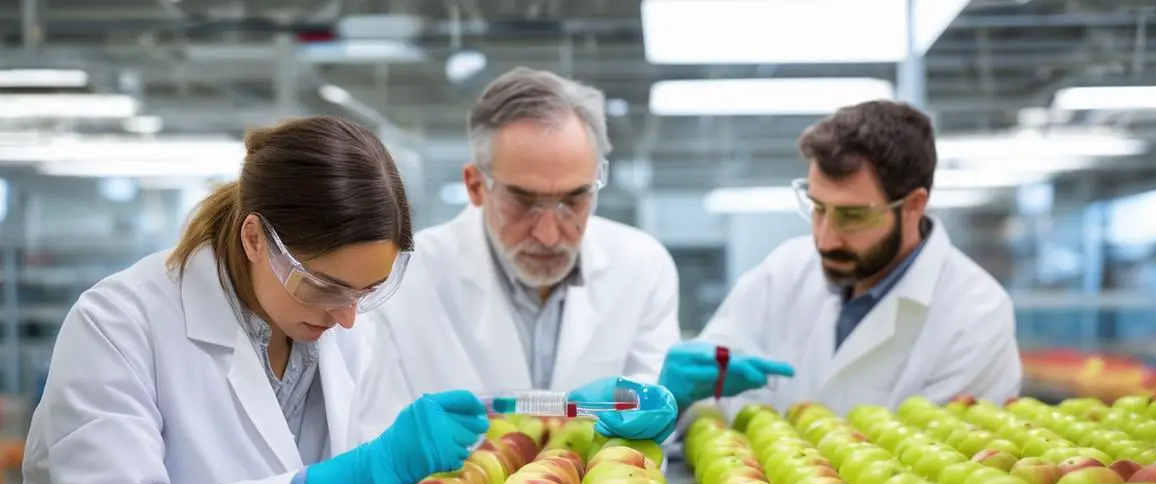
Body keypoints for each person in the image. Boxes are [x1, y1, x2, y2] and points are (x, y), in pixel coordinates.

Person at [13, 116, 490, 484]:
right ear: (256, 239)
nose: (348, 317)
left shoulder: (339, 326)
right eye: (325, 286)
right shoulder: (116, 325)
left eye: (366, 291)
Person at [363, 67, 680, 443]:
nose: (548, 235)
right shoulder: (405, 279)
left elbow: (655, 420)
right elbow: (377, 432)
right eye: (523, 202)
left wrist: (664, 410)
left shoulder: (642, 266)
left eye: (573, 199)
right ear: (476, 186)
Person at [660, 100, 1022, 419]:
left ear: (913, 206)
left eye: (852, 216)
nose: (825, 238)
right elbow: (707, 415)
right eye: (818, 208)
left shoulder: (976, 316)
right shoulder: (784, 271)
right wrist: (676, 402)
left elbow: (942, 466)